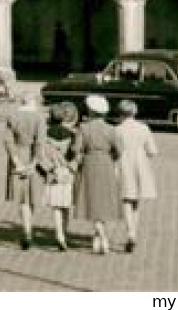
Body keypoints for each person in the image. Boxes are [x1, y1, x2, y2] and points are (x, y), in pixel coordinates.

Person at [73, 94, 120, 254]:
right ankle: (99, 235)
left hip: (90, 163)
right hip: (106, 163)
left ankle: (101, 236)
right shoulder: (111, 129)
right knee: (104, 201)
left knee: (92, 200)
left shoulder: (84, 128)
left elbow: (76, 149)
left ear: (91, 111)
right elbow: (118, 151)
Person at [112, 99, 157, 253]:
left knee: (125, 199)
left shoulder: (117, 130)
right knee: (136, 201)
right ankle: (133, 232)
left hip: (123, 164)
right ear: (134, 112)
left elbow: (114, 151)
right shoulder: (143, 128)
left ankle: (130, 231)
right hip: (140, 165)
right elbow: (152, 151)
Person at [3, 91, 47, 250]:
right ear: (33, 102)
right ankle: (29, 228)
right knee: (32, 195)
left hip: (19, 155)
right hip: (32, 157)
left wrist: (16, 161)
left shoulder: (12, 117)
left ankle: (26, 229)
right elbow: (40, 143)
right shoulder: (39, 118)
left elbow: (8, 141)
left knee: (22, 199)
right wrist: (34, 163)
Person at [40, 102, 77, 251]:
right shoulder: (72, 135)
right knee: (66, 205)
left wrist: (49, 168)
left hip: (53, 172)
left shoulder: (46, 134)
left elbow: (42, 155)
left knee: (56, 207)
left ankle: (59, 235)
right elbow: (75, 154)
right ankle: (65, 232)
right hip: (67, 172)